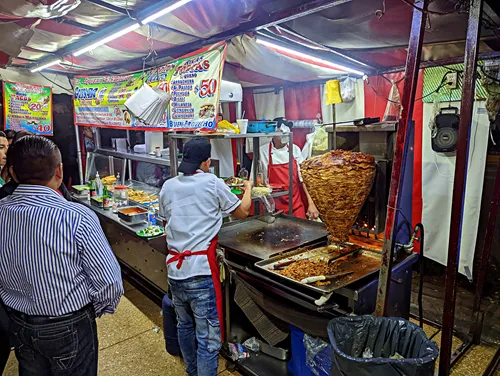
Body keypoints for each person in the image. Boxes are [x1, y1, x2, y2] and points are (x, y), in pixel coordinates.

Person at [0, 135, 124, 375]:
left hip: (18, 322)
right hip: (69, 324)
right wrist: (88, 312)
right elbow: (109, 284)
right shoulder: (77, 216)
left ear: (12, 173)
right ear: (59, 171)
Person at [159, 138, 253, 376]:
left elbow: (165, 222)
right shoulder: (212, 182)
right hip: (200, 272)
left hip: (175, 272)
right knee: (209, 339)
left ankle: (192, 372)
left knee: (185, 326)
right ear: (207, 161)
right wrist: (248, 189)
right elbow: (242, 212)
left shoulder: (168, 185)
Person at [256, 119, 319, 220]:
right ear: (273, 133)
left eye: (286, 133)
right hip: (272, 207)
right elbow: (256, 181)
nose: (284, 136)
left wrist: (311, 204)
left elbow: (304, 179)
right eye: (281, 133)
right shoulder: (262, 151)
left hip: (295, 204)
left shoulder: (295, 149)